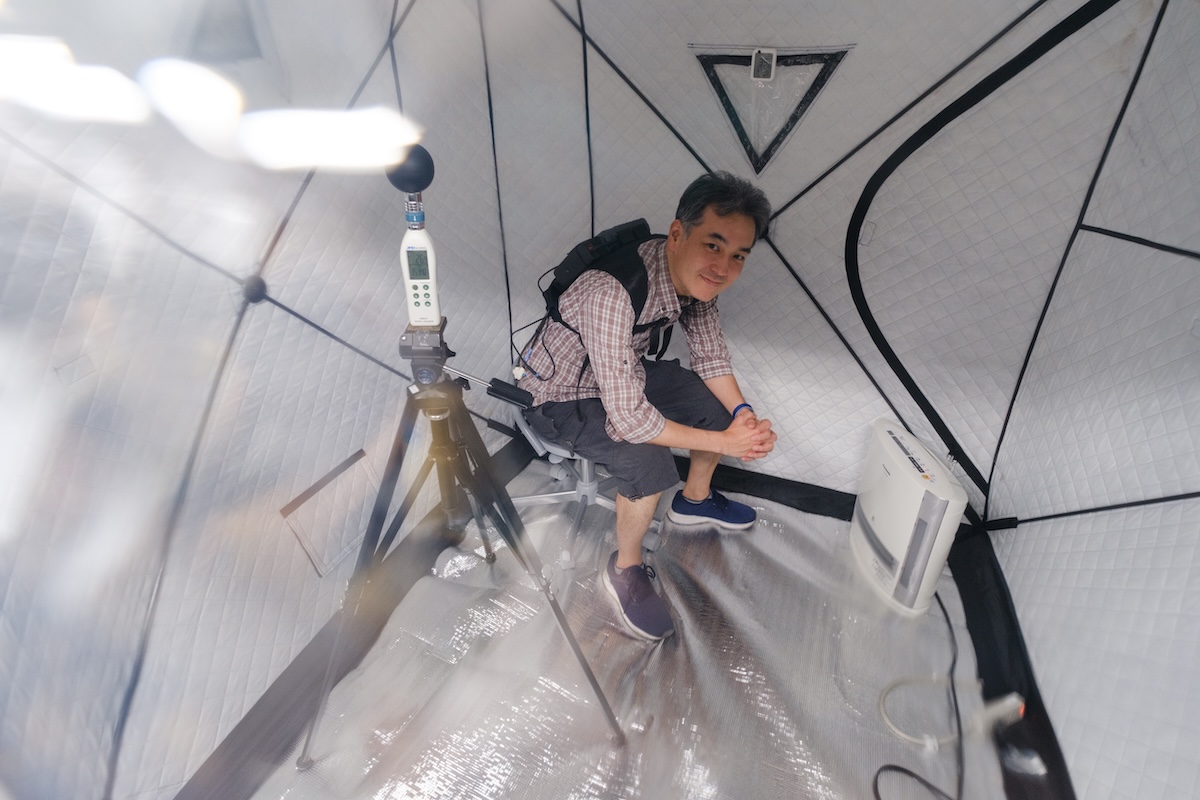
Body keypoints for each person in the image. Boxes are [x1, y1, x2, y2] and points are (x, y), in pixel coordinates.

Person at [518, 171, 777, 641]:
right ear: (678, 234)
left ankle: (693, 501)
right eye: (713, 245)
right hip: (558, 395)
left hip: (619, 375)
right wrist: (726, 443)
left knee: (712, 404)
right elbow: (632, 421)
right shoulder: (611, 291)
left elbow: (711, 359)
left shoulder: (695, 281)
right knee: (647, 459)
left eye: (738, 255)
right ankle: (626, 570)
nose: (723, 268)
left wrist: (743, 418)